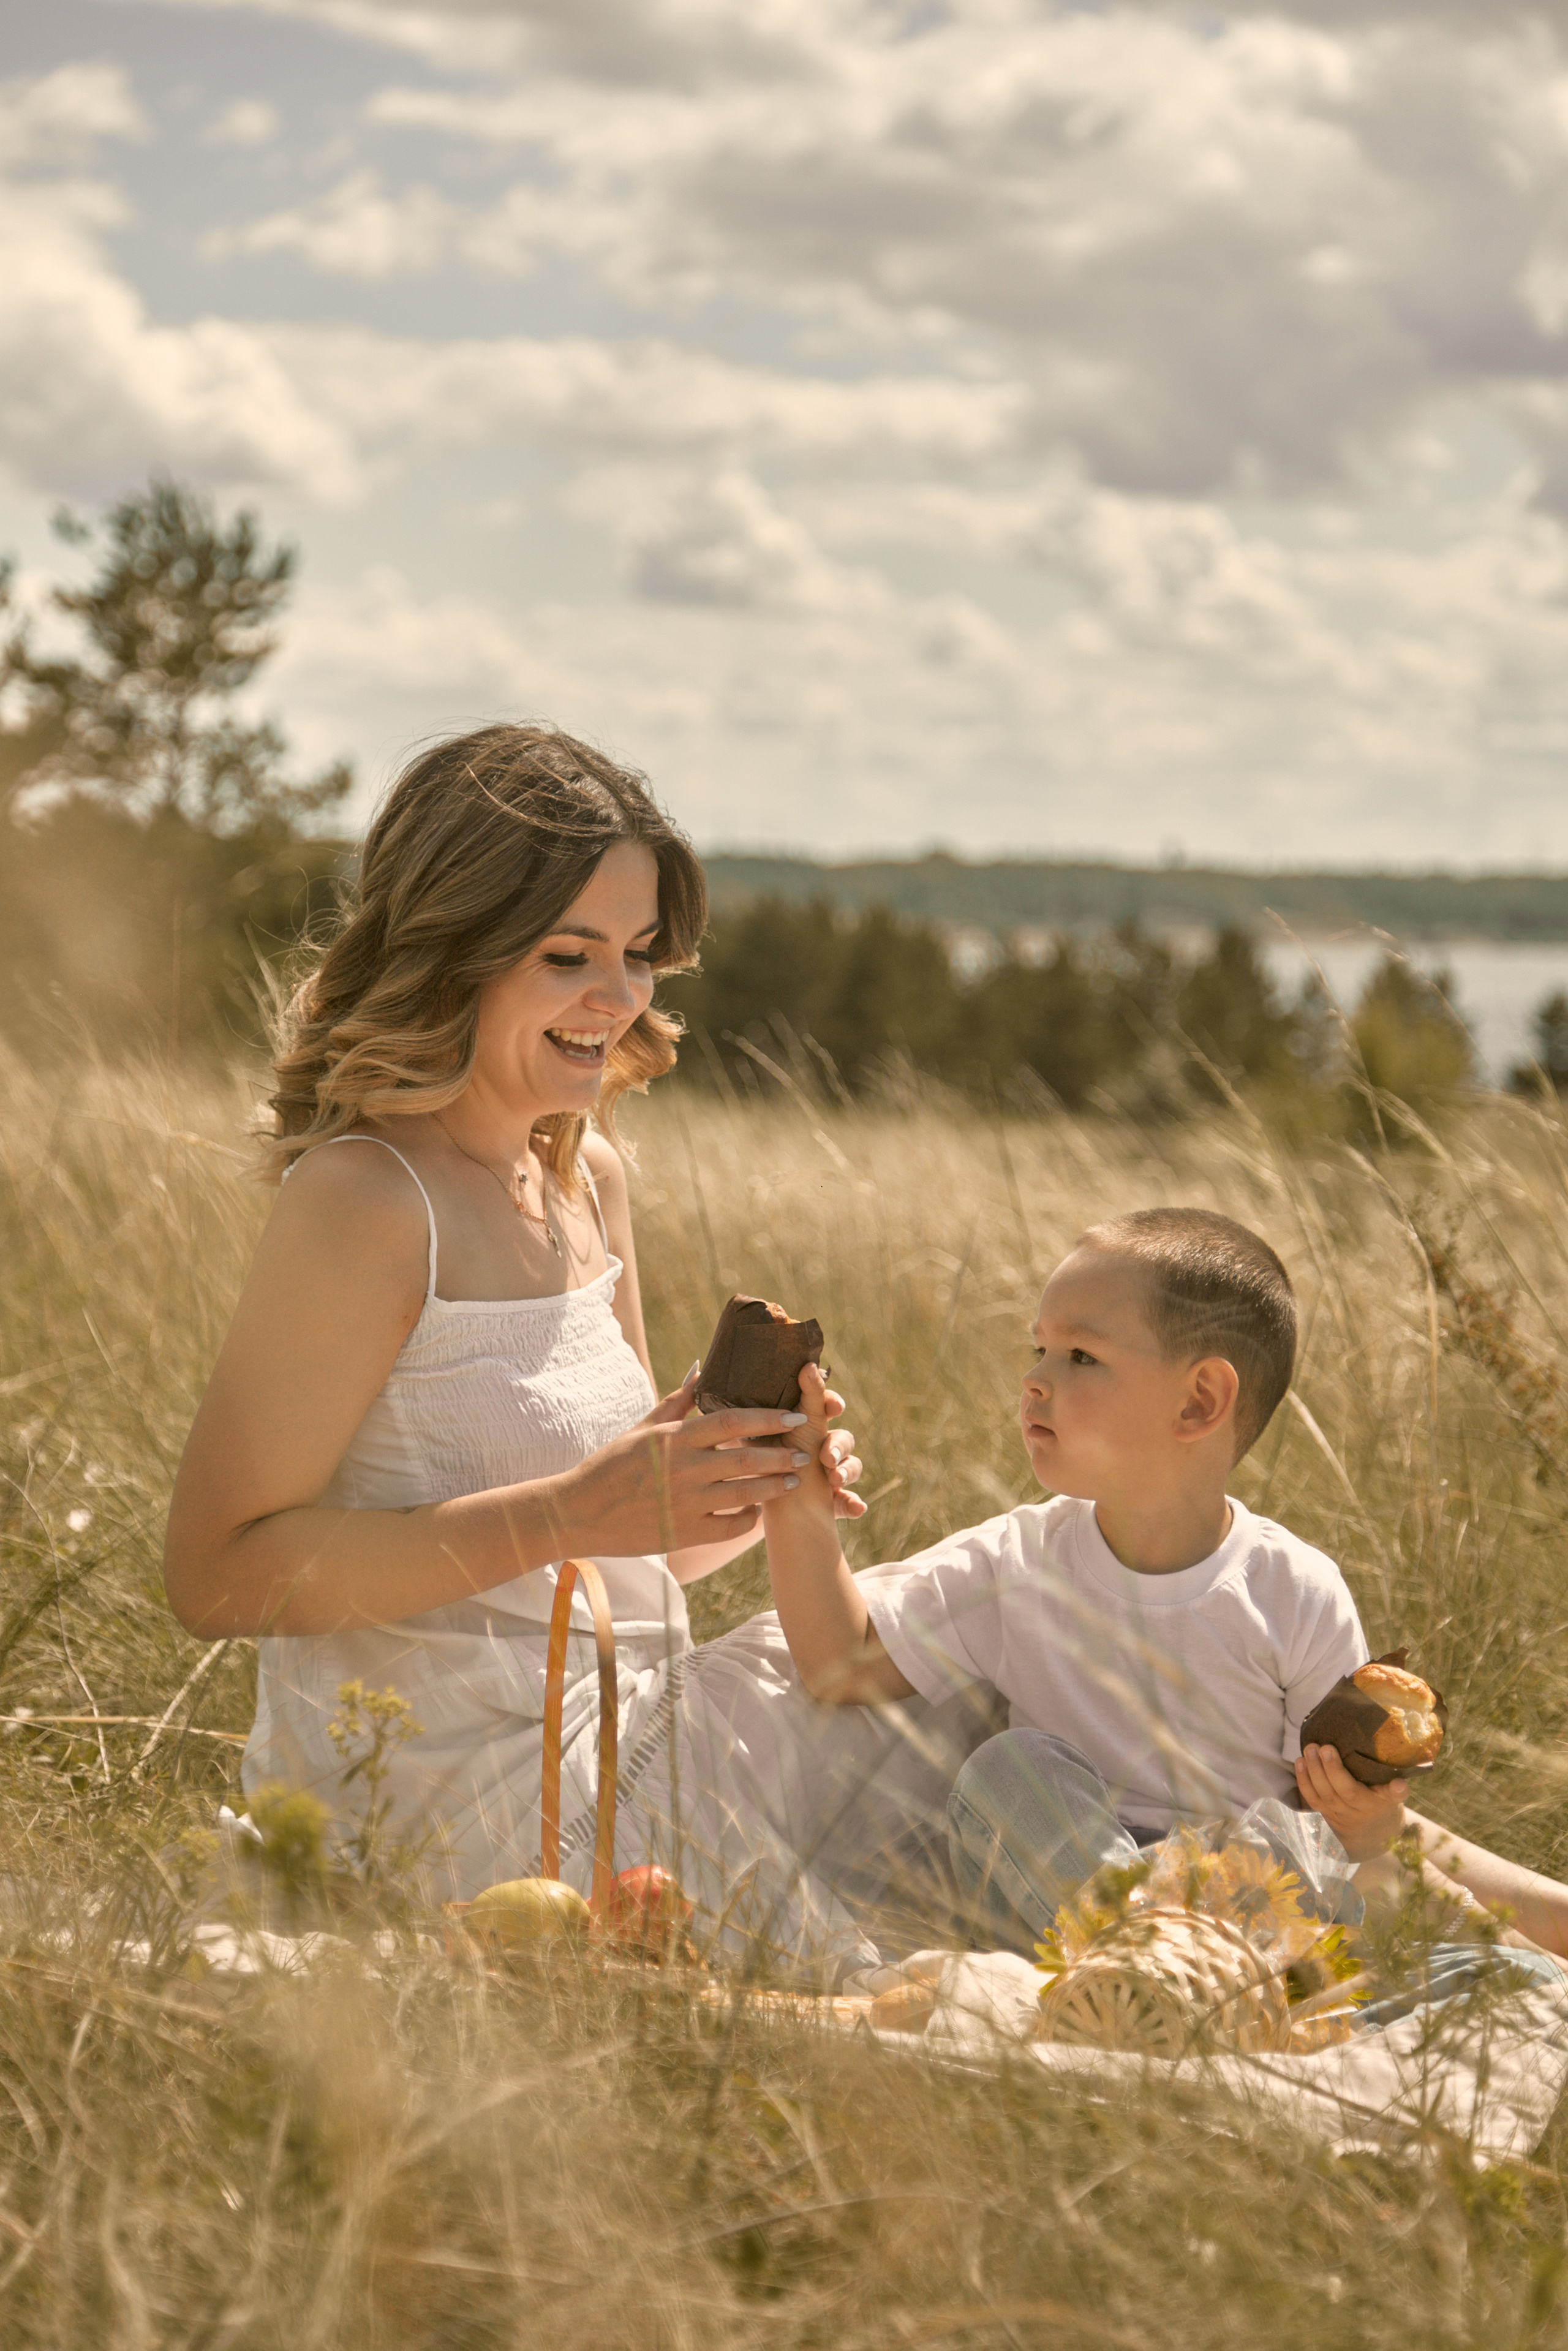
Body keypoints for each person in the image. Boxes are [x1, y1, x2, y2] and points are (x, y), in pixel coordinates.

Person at [163, 723, 944, 1980]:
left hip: (630, 1722)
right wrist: (565, 1508)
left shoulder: (584, 1175)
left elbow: (652, 1556)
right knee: (882, 1932)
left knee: (960, 1666)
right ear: (450, 953)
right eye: (567, 956)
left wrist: (745, 1476)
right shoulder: (367, 1201)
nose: (618, 998)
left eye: (637, 957)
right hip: (438, 1781)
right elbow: (215, 1575)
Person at [761, 1207, 1568, 1973]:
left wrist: (1368, 1824)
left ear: (1199, 1400)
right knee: (1006, 1773)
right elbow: (842, 1662)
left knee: (1314, 1852)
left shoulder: (1296, 1592)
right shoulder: (1017, 1562)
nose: (1036, 1380)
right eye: (1038, 1349)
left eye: (1080, 1356)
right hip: (1074, 1893)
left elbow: (1338, 1816)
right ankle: (1151, 1957)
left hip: (1250, 1902)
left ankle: (1211, 1971)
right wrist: (795, 1493)